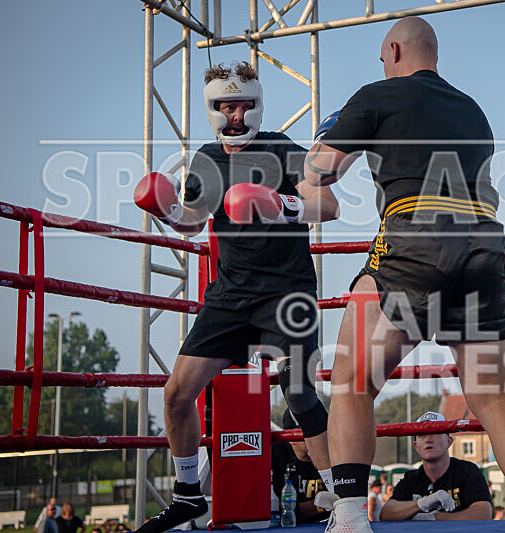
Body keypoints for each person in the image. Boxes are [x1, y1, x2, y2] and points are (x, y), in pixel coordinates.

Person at [304, 15, 505, 533]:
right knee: (492, 394)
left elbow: (321, 173)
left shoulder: (377, 94)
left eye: (383, 57)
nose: (382, 65)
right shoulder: (473, 110)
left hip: (416, 238)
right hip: (485, 246)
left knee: (351, 383)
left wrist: (319, 159)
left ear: (395, 51)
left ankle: (352, 516)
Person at [133, 61, 339, 533]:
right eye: (229, 106)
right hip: (230, 294)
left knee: (300, 391)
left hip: (287, 291)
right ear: (214, 110)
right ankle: (188, 496)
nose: (239, 116)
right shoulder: (205, 159)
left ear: (258, 105)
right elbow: (193, 220)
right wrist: (166, 210)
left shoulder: (281, 148)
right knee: (177, 393)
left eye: (246, 105)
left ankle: (338, 500)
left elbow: (328, 205)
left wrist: (283, 205)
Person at [379, 412, 492, 521]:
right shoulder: (411, 479)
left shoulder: (467, 472)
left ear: (449, 441)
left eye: (435, 431)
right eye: (422, 434)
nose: (428, 439)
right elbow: (386, 513)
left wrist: (435, 518)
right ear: (416, 446)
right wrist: (422, 503)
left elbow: (483, 513)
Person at [271, 409, 332, 524]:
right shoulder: (276, 453)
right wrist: (323, 505)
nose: (319, 438)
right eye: (311, 433)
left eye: (322, 432)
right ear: (291, 438)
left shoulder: (334, 450)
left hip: (330, 524)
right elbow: (278, 509)